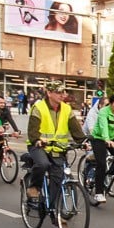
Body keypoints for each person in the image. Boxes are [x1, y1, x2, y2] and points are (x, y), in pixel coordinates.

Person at [25, 80, 86, 208]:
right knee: (43, 164)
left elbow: (75, 129)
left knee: (57, 179)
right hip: (39, 146)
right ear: (49, 93)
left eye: (63, 92)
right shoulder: (39, 107)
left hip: (58, 148)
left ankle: (54, 210)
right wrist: (37, 140)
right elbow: (32, 130)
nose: (62, 95)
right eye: (58, 92)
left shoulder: (67, 108)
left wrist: (83, 142)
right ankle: (34, 187)